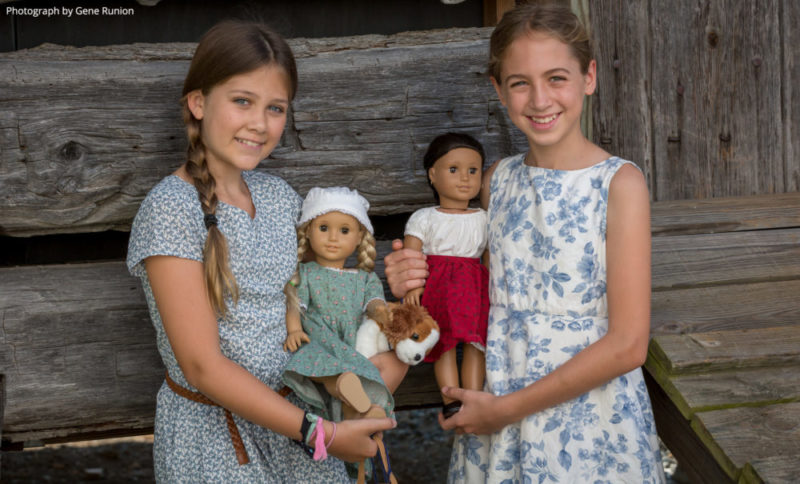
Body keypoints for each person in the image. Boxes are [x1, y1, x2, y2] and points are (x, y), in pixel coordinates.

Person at [384, 3, 665, 482]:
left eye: (557, 78)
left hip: (589, 418)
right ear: (498, 89)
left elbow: (628, 344)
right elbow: (469, 279)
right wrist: (410, 274)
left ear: (589, 76)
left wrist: (508, 409)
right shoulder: (496, 183)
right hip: (496, 399)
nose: (539, 99)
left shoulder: (619, 185)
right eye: (520, 83)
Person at [127, 20, 400, 482]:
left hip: (305, 415)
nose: (259, 123)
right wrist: (322, 435)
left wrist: (400, 287)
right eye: (241, 101)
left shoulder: (279, 197)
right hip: (220, 435)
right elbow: (202, 366)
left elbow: (323, 292)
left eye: (275, 108)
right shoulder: (171, 209)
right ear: (198, 103)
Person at [281, 186, 397, 423]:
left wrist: (381, 312)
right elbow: (296, 304)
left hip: (352, 339)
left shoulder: (365, 278)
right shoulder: (305, 273)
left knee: (362, 368)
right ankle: (347, 389)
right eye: (324, 228)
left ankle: (365, 408)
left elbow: (374, 302)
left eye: (344, 230)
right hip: (319, 336)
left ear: (358, 239)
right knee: (319, 361)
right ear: (309, 232)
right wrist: (294, 329)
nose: (333, 238)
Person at [402, 133, 489, 420]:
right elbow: (411, 257)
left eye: (472, 170)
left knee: (476, 344)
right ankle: (451, 399)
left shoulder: (483, 217)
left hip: (474, 287)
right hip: (439, 288)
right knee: (444, 346)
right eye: (454, 169)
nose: (464, 178)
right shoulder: (424, 217)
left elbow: (489, 255)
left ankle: (475, 397)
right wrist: (413, 286)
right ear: (432, 174)